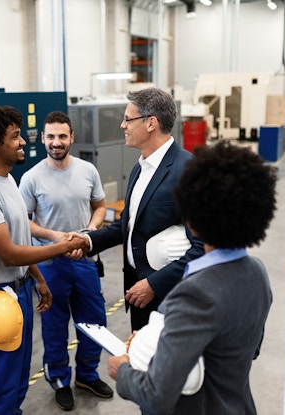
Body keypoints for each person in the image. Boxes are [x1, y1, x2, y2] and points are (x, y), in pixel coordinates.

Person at [107, 141, 277, 414]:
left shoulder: (194, 293)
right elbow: (242, 349)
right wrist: (160, 338)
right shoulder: (257, 272)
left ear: (193, 219)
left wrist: (123, 370)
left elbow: (156, 395)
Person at [0, 103, 88, 415]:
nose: (22, 142)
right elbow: (8, 252)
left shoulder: (7, 180)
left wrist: (38, 279)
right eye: (16, 137)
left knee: (16, 382)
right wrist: (63, 244)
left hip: (17, 292)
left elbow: (19, 240)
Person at [84, 87, 204, 331]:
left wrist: (154, 284)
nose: (122, 125)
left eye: (128, 119)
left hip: (170, 300)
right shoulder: (140, 169)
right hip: (138, 296)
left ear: (151, 123)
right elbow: (128, 226)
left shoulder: (189, 171)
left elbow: (204, 248)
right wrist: (87, 242)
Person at [18, 111, 113, 411]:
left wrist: (88, 234)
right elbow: (24, 222)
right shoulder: (31, 178)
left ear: (72, 137)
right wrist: (56, 238)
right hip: (50, 264)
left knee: (94, 322)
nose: (56, 142)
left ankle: (86, 374)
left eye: (62, 136)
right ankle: (59, 380)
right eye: (51, 137)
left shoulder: (88, 171)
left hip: (84, 260)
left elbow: (100, 206)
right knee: (55, 327)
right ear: (43, 139)